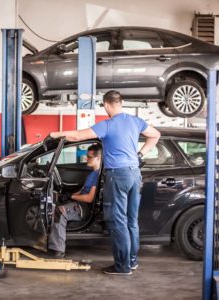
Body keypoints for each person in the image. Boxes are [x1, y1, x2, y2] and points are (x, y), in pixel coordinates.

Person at [49, 90, 160, 275]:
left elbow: (77, 136)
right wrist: (140, 154)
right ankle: (132, 261)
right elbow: (155, 135)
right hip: (134, 174)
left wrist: (54, 134)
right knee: (132, 221)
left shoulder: (108, 125)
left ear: (106, 105)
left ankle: (122, 267)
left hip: (118, 176)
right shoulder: (135, 121)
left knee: (119, 222)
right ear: (121, 102)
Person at [48, 144, 102, 258]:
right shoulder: (92, 173)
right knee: (54, 204)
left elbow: (89, 198)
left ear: (99, 158)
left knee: (59, 211)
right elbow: (82, 191)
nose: (86, 158)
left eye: (89, 156)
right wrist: (67, 195)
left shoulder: (98, 175)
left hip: (85, 207)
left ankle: (58, 249)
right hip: (80, 203)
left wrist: (71, 197)